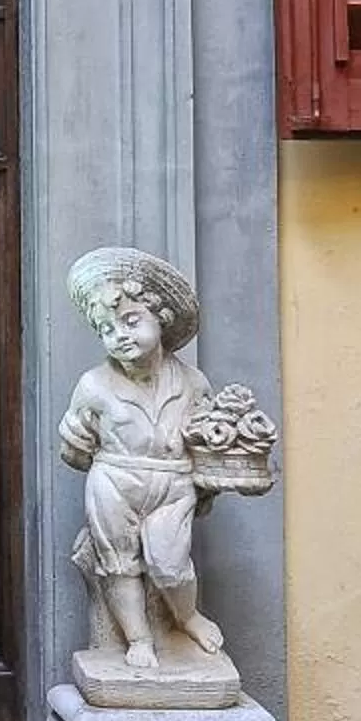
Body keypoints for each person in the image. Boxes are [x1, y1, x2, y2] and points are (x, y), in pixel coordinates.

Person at [59, 247, 223, 676]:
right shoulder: (93, 385)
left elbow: (207, 438)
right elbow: (76, 450)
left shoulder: (191, 382)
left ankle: (187, 617)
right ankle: (138, 639)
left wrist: (214, 467)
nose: (120, 335)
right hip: (114, 478)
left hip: (172, 482)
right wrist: (71, 440)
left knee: (170, 564)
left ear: (161, 319)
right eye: (106, 329)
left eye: (131, 322)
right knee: (119, 561)